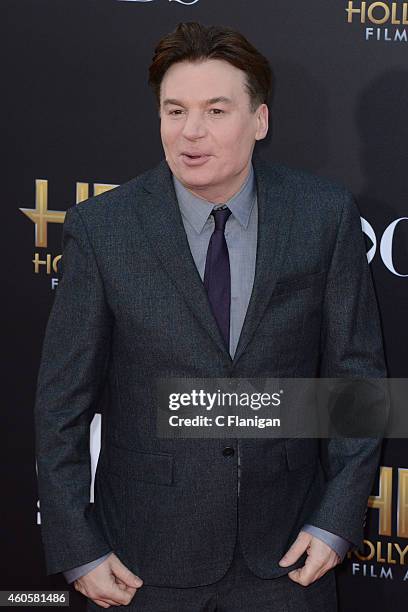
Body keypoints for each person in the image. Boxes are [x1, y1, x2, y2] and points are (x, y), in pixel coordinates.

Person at [34, 21, 386, 611]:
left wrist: (336, 523)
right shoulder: (104, 229)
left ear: (260, 121)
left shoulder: (322, 216)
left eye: (216, 110)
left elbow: (358, 380)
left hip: (288, 559)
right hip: (141, 563)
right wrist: (79, 548)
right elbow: (61, 402)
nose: (190, 132)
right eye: (175, 111)